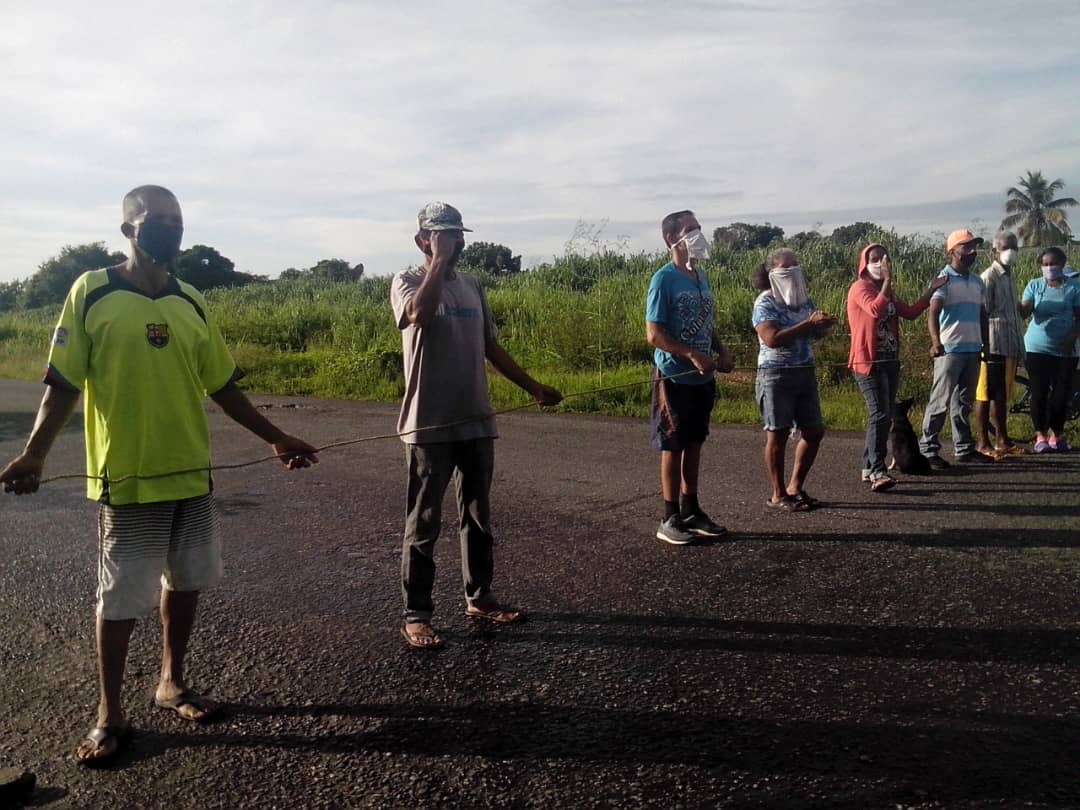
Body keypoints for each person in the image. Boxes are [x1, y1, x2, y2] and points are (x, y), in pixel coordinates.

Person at [0, 185, 319, 766]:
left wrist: (275, 437)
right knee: (121, 598)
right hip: (129, 477)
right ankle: (109, 714)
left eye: (177, 221)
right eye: (156, 221)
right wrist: (35, 454)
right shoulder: (92, 291)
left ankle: (171, 681)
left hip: (190, 472)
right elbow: (63, 383)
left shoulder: (190, 298)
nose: (169, 230)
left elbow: (221, 383)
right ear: (128, 229)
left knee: (187, 580)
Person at [390, 202, 563, 649]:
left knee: (478, 514)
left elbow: (490, 345)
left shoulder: (472, 286)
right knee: (424, 522)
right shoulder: (407, 281)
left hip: (476, 420)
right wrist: (439, 263)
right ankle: (416, 614)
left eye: (459, 235)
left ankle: (480, 596)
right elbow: (418, 315)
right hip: (427, 425)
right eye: (444, 236)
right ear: (422, 240)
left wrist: (533, 387)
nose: (457, 243)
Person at [645, 210, 734, 544]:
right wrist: (691, 354)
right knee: (674, 444)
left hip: (702, 379)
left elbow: (706, 322)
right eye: (689, 230)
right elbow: (654, 334)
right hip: (675, 376)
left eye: (698, 228)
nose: (697, 234)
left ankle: (691, 508)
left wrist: (720, 351)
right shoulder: (663, 279)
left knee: (695, 442)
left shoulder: (701, 277)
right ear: (672, 239)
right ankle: (669, 517)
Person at [847, 243, 945, 491]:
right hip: (868, 361)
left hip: (890, 361)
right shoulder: (860, 288)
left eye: (884, 258)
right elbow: (874, 309)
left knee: (882, 416)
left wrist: (930, 290)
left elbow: (910, 312)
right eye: (875, 258)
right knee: (879, 415)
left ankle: (869, 466)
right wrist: (888, 281)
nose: (880, 262)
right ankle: (877, 471)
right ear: (865, 263)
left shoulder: (887, 291)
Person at [752, 248, 835, 511]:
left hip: (804, 370)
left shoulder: (803, 301)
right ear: (771, 274)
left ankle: (795, 486)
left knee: (814, 430)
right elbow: (772, 339)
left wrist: (822, 327)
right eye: (786, 268)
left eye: (795, 266)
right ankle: (778, 494)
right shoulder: (764, 302)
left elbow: (812, 332)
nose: (792, 272)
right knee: (777, 433)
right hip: (775, 373)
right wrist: (808, 325)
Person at [919, 229, 991, 467]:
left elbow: (982, 314)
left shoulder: (977, 281)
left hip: (972, 347)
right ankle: (928, 449)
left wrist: (986, 343)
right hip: (950, 349)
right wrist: (936, 342)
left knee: (963, 403)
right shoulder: (944, 279)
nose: (972, 252)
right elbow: (933, 313)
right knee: (940, 401)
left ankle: (964, 447)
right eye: (966, 247)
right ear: (953, 251)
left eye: (974, 247)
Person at [1018, 247, 1080, 452]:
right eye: (1045, 264)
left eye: (1053, 263)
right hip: (1037, 347)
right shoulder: (1034, 285)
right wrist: (1017, 305)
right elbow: (1026, 311)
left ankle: (1056, 435)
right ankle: (1040, 436)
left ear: (1062, 264)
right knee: (1039, 392)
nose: (1049, 267)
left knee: (1062, 394)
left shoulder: (1074, 287)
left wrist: (1073, 336)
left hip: (1066, 349)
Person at [974, 232, 1025, 457]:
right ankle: (983, 442)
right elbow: (982, 312)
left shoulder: (1009, 275)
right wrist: (983, 342)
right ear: (996, 250)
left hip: (1008, 343)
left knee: (1001, 394)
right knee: (986, 394)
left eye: (1013, 247)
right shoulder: (989, 277)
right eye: (1005, 247)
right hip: (992, 344)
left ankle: (1002, 441)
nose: (1010, 252)